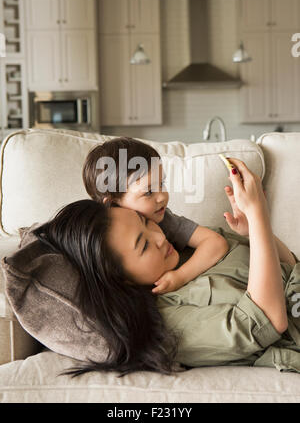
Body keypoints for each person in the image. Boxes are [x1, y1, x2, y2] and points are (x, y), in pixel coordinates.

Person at [32, 158, 300, 377]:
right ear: (120, 278)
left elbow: (289, 267)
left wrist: (254, 230)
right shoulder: (165, 323)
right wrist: (258, 215)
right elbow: (265, 320)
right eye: (144, 245)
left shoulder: (193, 247)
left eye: (145, 223)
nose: (160, 237)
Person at [82, 137, 229, 294]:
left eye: (162, 183)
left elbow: (216, 243)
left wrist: (180, 276)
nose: (162, 197)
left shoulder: (165, 220)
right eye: (149, 192)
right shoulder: (97, 242)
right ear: (112, 203)